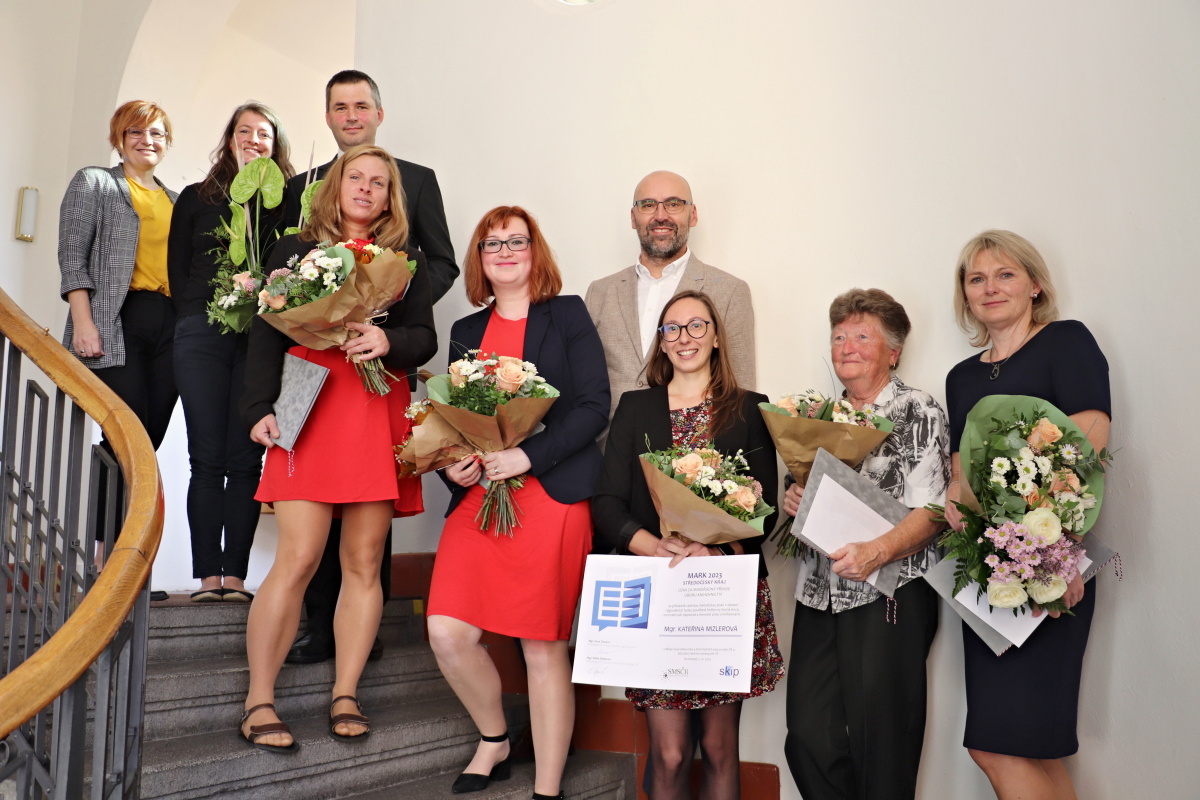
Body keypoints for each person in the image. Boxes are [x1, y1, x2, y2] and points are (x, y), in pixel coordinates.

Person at [236, 144, 436, 751]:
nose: (367, 188)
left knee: (364, 562)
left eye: (380, 182)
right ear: (337, 185)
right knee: (297, 559)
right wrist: (256, 409)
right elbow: (265, 334)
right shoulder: (295, 251)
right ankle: (257, 701)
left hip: (374, 413)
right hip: (310, 404)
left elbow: (424, 337)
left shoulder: (405, 263)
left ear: (389, 196)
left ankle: (345, 692)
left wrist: (387, 339)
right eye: (358, 177)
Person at [425, 206, 609, 799]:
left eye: (516, 241)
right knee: (447, 631)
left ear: (536, 251)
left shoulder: (568, 314)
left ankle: (547, 788)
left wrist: (528, 458)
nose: (504, 251)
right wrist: (455, 467)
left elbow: (592, 406)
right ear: (479, 258)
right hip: (481, 498)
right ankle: (495, 739)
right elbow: (456, 423)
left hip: (551, 496)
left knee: (541, 645)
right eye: (490, 243)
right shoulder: (465, 333)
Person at [283, 69, 459, 664]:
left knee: (370, 499)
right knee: (312, 510)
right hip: (314, 372)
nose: (351, 116)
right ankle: (315, 624)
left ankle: (365, 625)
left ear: (379, 114)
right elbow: (288, 281)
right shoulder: (303, 185)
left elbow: (440, 262)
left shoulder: (418, 180)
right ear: (328, 117)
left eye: (361, 106)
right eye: (340, 107)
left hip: (378, 365)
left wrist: (382, 314)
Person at [593, 290, 783, 800]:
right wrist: (652, 546)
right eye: (671, 329)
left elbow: (766, 515)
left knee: (720, 749)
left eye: (697, 326)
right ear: (661, 342)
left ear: (717, 337)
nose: (684, 338)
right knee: (672, 753)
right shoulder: (635, 409)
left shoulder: (750, 409)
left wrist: (715, 551)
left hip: (724, 594)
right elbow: (607, 503)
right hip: (657, 593)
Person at [944, 230, 1110, 799]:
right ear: (964, 296)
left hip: (1053, 564)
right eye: (976, 279)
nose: (990, 288)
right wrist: (953, 501)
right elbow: (962, 474)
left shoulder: (1066, 343)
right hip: (990, 577)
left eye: (1005, 274)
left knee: (999, 743)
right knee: (1017, 743)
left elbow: (1088, 445)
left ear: (1035, 285)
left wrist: (1053, 555)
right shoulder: (961, 378)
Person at [780, 289, 949, 800]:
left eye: (861, 335)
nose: (846, 346)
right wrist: (795, 496)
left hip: (890, 591)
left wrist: (877, 551)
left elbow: (935, 510)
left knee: (885, 742)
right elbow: (809, 492)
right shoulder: (815, 415)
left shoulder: (918, 409)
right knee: (808, 735)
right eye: (838, 336)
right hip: (819, 591)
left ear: (893, 351)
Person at [167, 102, 294, 603]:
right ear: (229, 138)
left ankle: (236, 579)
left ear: (274, 144)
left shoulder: (285, 203)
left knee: (246, 458)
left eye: (263, 134)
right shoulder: (197, 198)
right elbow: (178, 271)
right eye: (244, 131)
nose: (253, 140)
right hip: (201, 331)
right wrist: (195, 318)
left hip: (260, 337)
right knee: (206, 457)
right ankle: (207, 578)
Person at [58, 99, 178, 554]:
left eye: (157, 134)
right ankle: (109, 559)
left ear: (167, 143)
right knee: (123, 435)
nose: (147, 141)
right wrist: (84, 322)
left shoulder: (176, 199)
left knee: (149, 442)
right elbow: (73, 254)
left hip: (171, 324)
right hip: (117, 317)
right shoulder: (95, 182)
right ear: (119, 139)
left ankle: (134, 555)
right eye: (136, 132)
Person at [585, 170, 756, 420]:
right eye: (648, 205)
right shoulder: (599, 292)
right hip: (607, 449)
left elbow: (741, 394)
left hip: (693, 453)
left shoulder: (730, 291)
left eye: (674, 204)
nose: (661, 215)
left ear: (693, 214)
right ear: (633, 217)